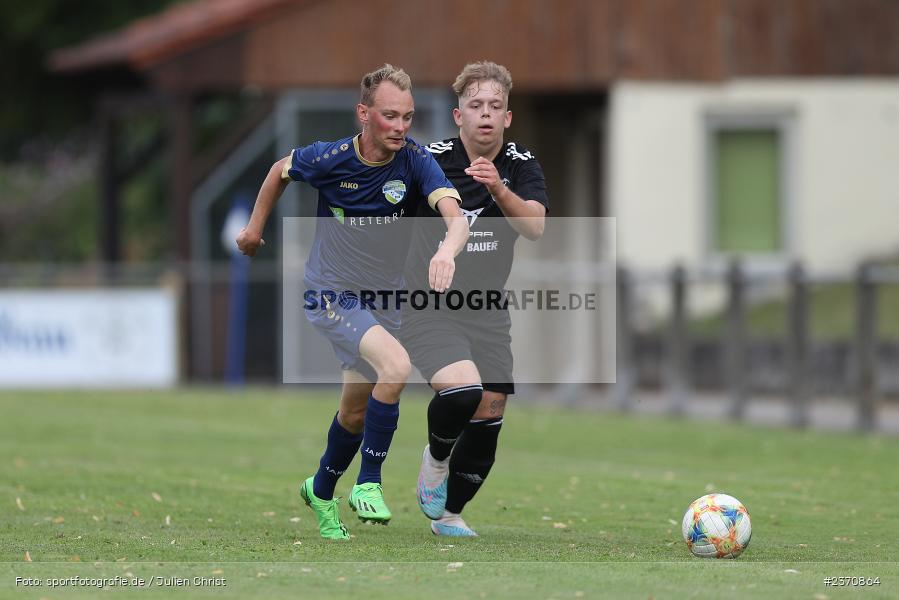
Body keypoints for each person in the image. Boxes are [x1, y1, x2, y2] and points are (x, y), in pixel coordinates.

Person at [236, 64, 467, 540]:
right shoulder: (331, 158)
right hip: (332, 292)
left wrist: (447, 250)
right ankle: (369, 482)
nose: (401, 126)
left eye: (407, 116)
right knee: (396, 366)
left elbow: (456, 217)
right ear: (364, 114)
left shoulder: (415, 161)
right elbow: (279, 171)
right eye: (390, 116)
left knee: (355, 414)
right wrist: (254, 229)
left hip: (382, 301)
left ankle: (321, 490)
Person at [401, 61, 548, 536]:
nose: (486, 113)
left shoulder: (521, 164)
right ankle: (436, 458)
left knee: (490, 410)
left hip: (487, 309)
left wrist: (498, 187)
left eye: (495, 106)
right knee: (462, 390)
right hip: (430, 303)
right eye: (476, 105)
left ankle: (448, 515)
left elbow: (535, 227)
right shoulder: (430, 161)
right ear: (458, 115)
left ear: (507, 117)